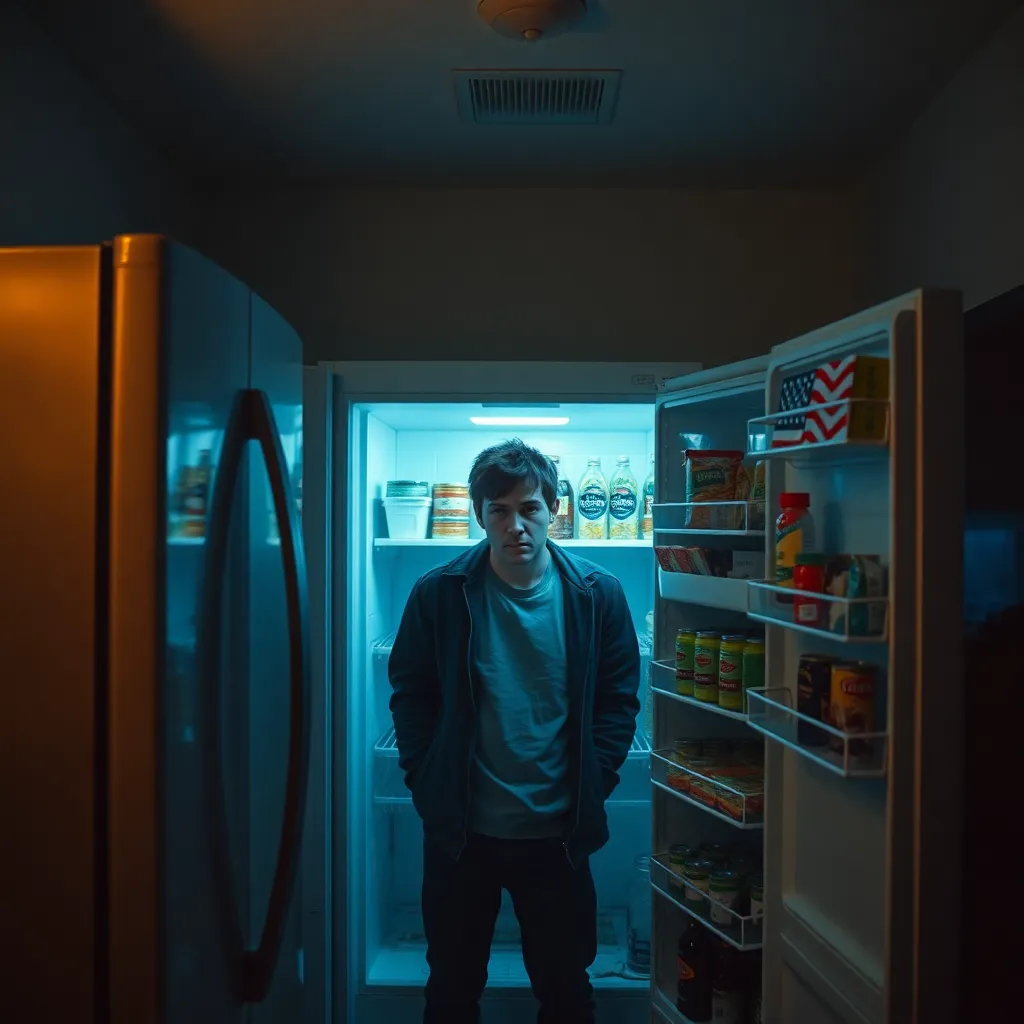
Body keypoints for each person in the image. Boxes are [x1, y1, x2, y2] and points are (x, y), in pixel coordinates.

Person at [388, 438, 641, 1024]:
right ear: (480, 514)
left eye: (529, 508)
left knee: (566, 992)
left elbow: (617, 701)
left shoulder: (596, 595)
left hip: (558, 837)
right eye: (499, 510)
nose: (516, 525)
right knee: (451, 989)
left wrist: (593, 781)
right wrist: (427, 782)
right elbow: (412, 693)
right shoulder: (439, 593)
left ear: (553, 508)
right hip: (461, 836)